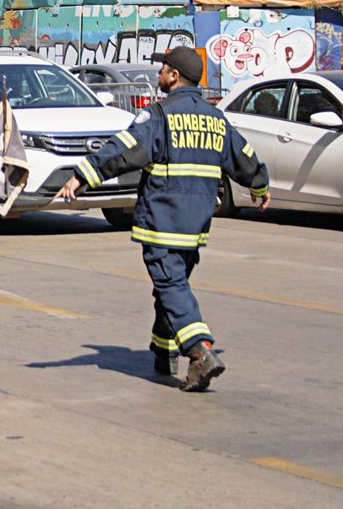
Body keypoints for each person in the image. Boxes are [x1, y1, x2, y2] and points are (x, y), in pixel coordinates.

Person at [55, 46, 270, 392]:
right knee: (169, 288)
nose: (158, 77)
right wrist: (260, 184)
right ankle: (162, 350)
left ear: (174, 75)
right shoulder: (216, 119)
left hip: (162, 219)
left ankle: (200, 351)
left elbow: (122, 149)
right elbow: (243, 156)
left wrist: (83, 174)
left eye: (162, 70)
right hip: (196, 225)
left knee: (171, 286)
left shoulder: (159, 115)